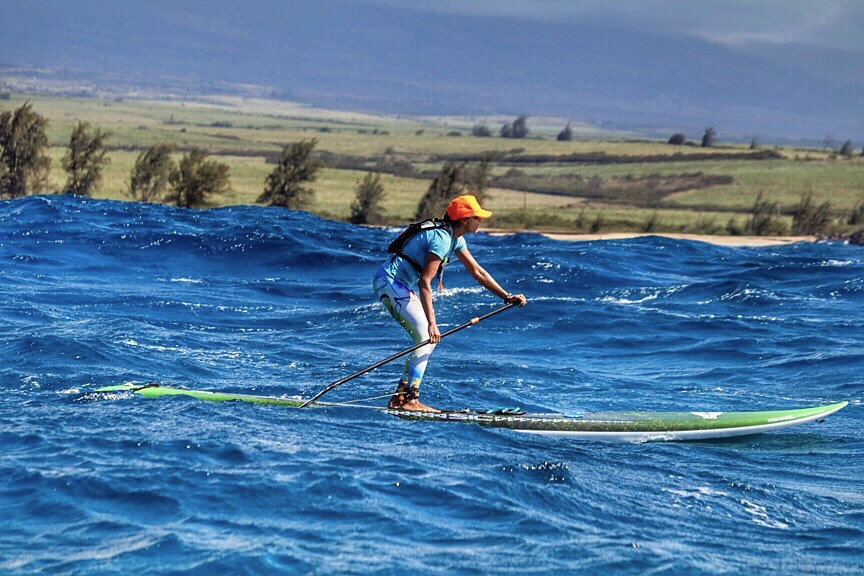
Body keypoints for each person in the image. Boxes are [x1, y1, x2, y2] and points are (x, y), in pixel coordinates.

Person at [372, 195, 527, 412]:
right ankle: (408, 400)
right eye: (476, 217)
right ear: (464, 220)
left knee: (426, 339)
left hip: (396, 284)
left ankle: (400, 398)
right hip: (390, 283)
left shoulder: (455, 238)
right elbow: (425, 282)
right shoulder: (442, 239)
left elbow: (478, 272)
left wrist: (506, 296)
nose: (480, 221)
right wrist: (432, 323)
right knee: (427, 336)